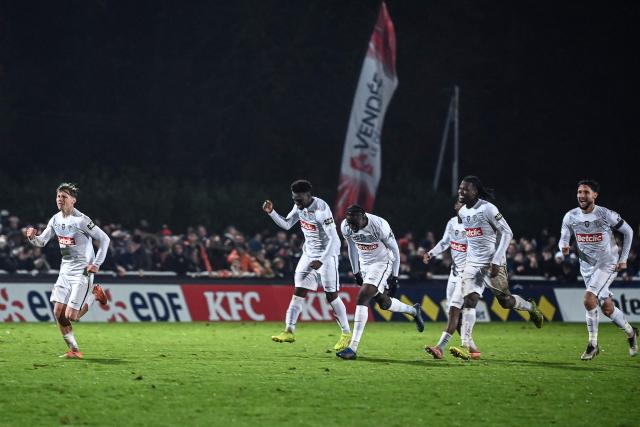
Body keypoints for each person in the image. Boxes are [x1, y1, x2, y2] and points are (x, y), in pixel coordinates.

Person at [450, 176, 544, 360]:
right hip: (472, 263)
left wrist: (496, 259)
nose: (461, 192)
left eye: (465, 189)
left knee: (505, 302)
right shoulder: (462, 211)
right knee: (470, 300)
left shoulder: (488, 209)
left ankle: (529, 307)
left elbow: (507, 232)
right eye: (460, 188)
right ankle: (466, 345)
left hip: (492, 262)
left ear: (475, 191)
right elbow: (468, 234)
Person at [263, 180, 351, 351]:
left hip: (327, 255)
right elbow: (287, 224)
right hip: (308, 254)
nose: (297, 203)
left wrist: (322, 259)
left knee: (331, 295)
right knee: (298, 291)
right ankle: (289, 331)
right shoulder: (299, 206)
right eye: (294, 199)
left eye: (300, 200)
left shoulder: (321, 210)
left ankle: (346, 333)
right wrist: (271, 212)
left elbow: (334, 240)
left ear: (309, 195)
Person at [24, 183, 110, 359]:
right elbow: (41, 242)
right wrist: (32, 237)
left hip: (82, 271)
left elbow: (105, 239)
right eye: (58, 196)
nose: (60, 199)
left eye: (64, 197)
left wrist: (97, 263)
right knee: (58, 313)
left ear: (73, 200)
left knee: (72, 315)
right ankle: (74, 350)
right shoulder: (55, 219)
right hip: (65, 270)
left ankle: (95, 294)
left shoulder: (82, 220)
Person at [559, 179, 637, 360]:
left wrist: (623, 259)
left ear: (595, 195)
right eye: (579, 192)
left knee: (588, 299)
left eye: (586, 192)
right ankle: (631, 331)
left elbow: (629, 232)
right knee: (607, 308)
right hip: (586, 266)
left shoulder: (605, 214)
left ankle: (592, 345)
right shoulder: (570, 216)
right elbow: (564, 236)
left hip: (607, 263)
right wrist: (563, 246)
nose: (581, 195)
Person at [336, 205, 424, 360]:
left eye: (355, 223)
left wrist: (395, 277)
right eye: (350, 223)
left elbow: (395, 250)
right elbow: (352, 247)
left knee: (362, 297)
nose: (352, 227)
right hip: (364, 264)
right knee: (384, 303)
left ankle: (352, 348)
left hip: (382, 262)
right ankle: (413, 311)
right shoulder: (346, 226)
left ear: (363, 217)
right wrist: (356, 271)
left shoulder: (379, 225)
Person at [423, 200, 467, 359]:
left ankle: (440, 348)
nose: (461, 205)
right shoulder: (452, 222)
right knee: (452, 311)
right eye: (459, 203)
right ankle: (470, 346)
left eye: (464, 203)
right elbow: (444, 242)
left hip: (467, 274)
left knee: (454, 310)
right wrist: (431, 253)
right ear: (455, 207)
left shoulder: (474, 227)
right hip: (454, 273)